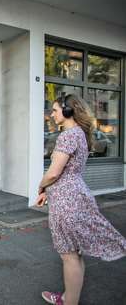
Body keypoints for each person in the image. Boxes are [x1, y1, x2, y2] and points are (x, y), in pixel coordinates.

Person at [36, 94, 126, 305]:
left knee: (68, 254)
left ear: (68, 112)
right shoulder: (80, 134)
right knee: (75, 253)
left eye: (56, 110)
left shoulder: (67, 136)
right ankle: (69, 298)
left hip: (66, 199)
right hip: (76, 195)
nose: (53, 113)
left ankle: (68, 302)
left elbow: (53, 173)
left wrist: (41, 186)